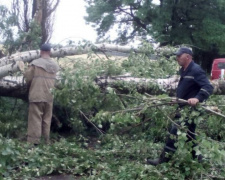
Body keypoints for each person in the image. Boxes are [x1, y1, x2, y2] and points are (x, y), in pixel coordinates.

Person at [147, 47, 214, 165]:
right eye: (177, 55)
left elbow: (208, 87)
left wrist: (197, 98)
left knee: (175, 132)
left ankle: (163, 160)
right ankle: (199, 160)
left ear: (188, 56)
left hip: (190, 110)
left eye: (179, 55)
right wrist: (177, 99)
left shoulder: (196, 70)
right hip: (183, 106)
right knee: (189, 135)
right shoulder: (184, 70)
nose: (177, 57)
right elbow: (186, 89)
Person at [24, 43, 59, 145]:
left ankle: (34, 143)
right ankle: (45, 141)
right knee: (46, 120)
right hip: (49, 96)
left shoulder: (35, 64)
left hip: (37, 95)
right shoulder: (55, 66)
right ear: (50, 52)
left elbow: (27, 78)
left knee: (35, 119)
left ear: (41, 52)